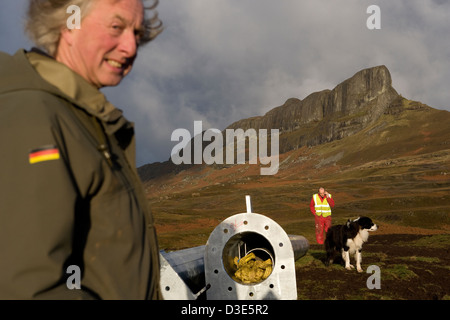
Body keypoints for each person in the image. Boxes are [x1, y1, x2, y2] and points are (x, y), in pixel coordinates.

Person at [0, 0, 163, 299]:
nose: (130, 47)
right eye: (116, 28)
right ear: (67, 24)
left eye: (137, 33)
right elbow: (27, 286)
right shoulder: (36, 118)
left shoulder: (84, 119)